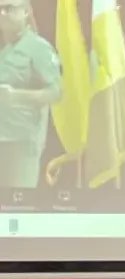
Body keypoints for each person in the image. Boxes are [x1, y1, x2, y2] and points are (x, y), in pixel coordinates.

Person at [0, 0, 60, 188]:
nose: (2, 13)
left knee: (19, 206)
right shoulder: (6, 50)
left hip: (21, 144)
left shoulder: (38, 48)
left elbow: (56, 92)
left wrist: (16, 96)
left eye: (9, 8)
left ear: (26, 11)